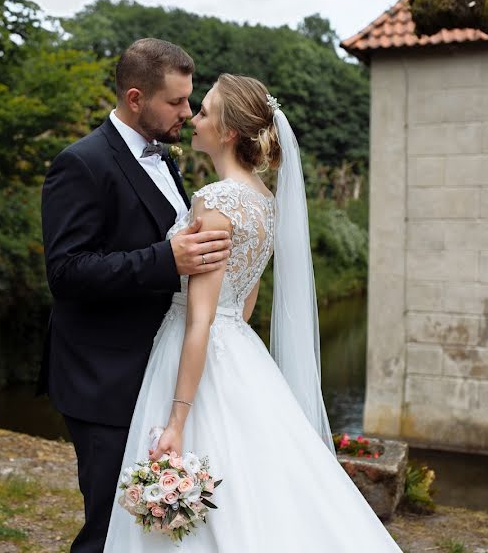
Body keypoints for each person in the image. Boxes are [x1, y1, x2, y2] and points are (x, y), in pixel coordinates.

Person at [102, 74, 402, 551]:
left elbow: (200, 318)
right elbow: (245, 300)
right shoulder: (264, 201)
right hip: (240, 348)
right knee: (263, 479)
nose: (192, 119)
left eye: (203, 112)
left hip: (192, 345)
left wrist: (178, 421)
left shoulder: (216, 200)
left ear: (229, 133)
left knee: (198, 466)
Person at [39, 38, 233, 553]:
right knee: (108, 528)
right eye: (175, 102)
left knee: (149, 530)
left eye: (190, 100)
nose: (186, 113)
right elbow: (66, 272)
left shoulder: (166, 159)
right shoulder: (80, 164)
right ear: (134, 98)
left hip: (157, 367)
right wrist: (166, 260)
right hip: (102, 376)